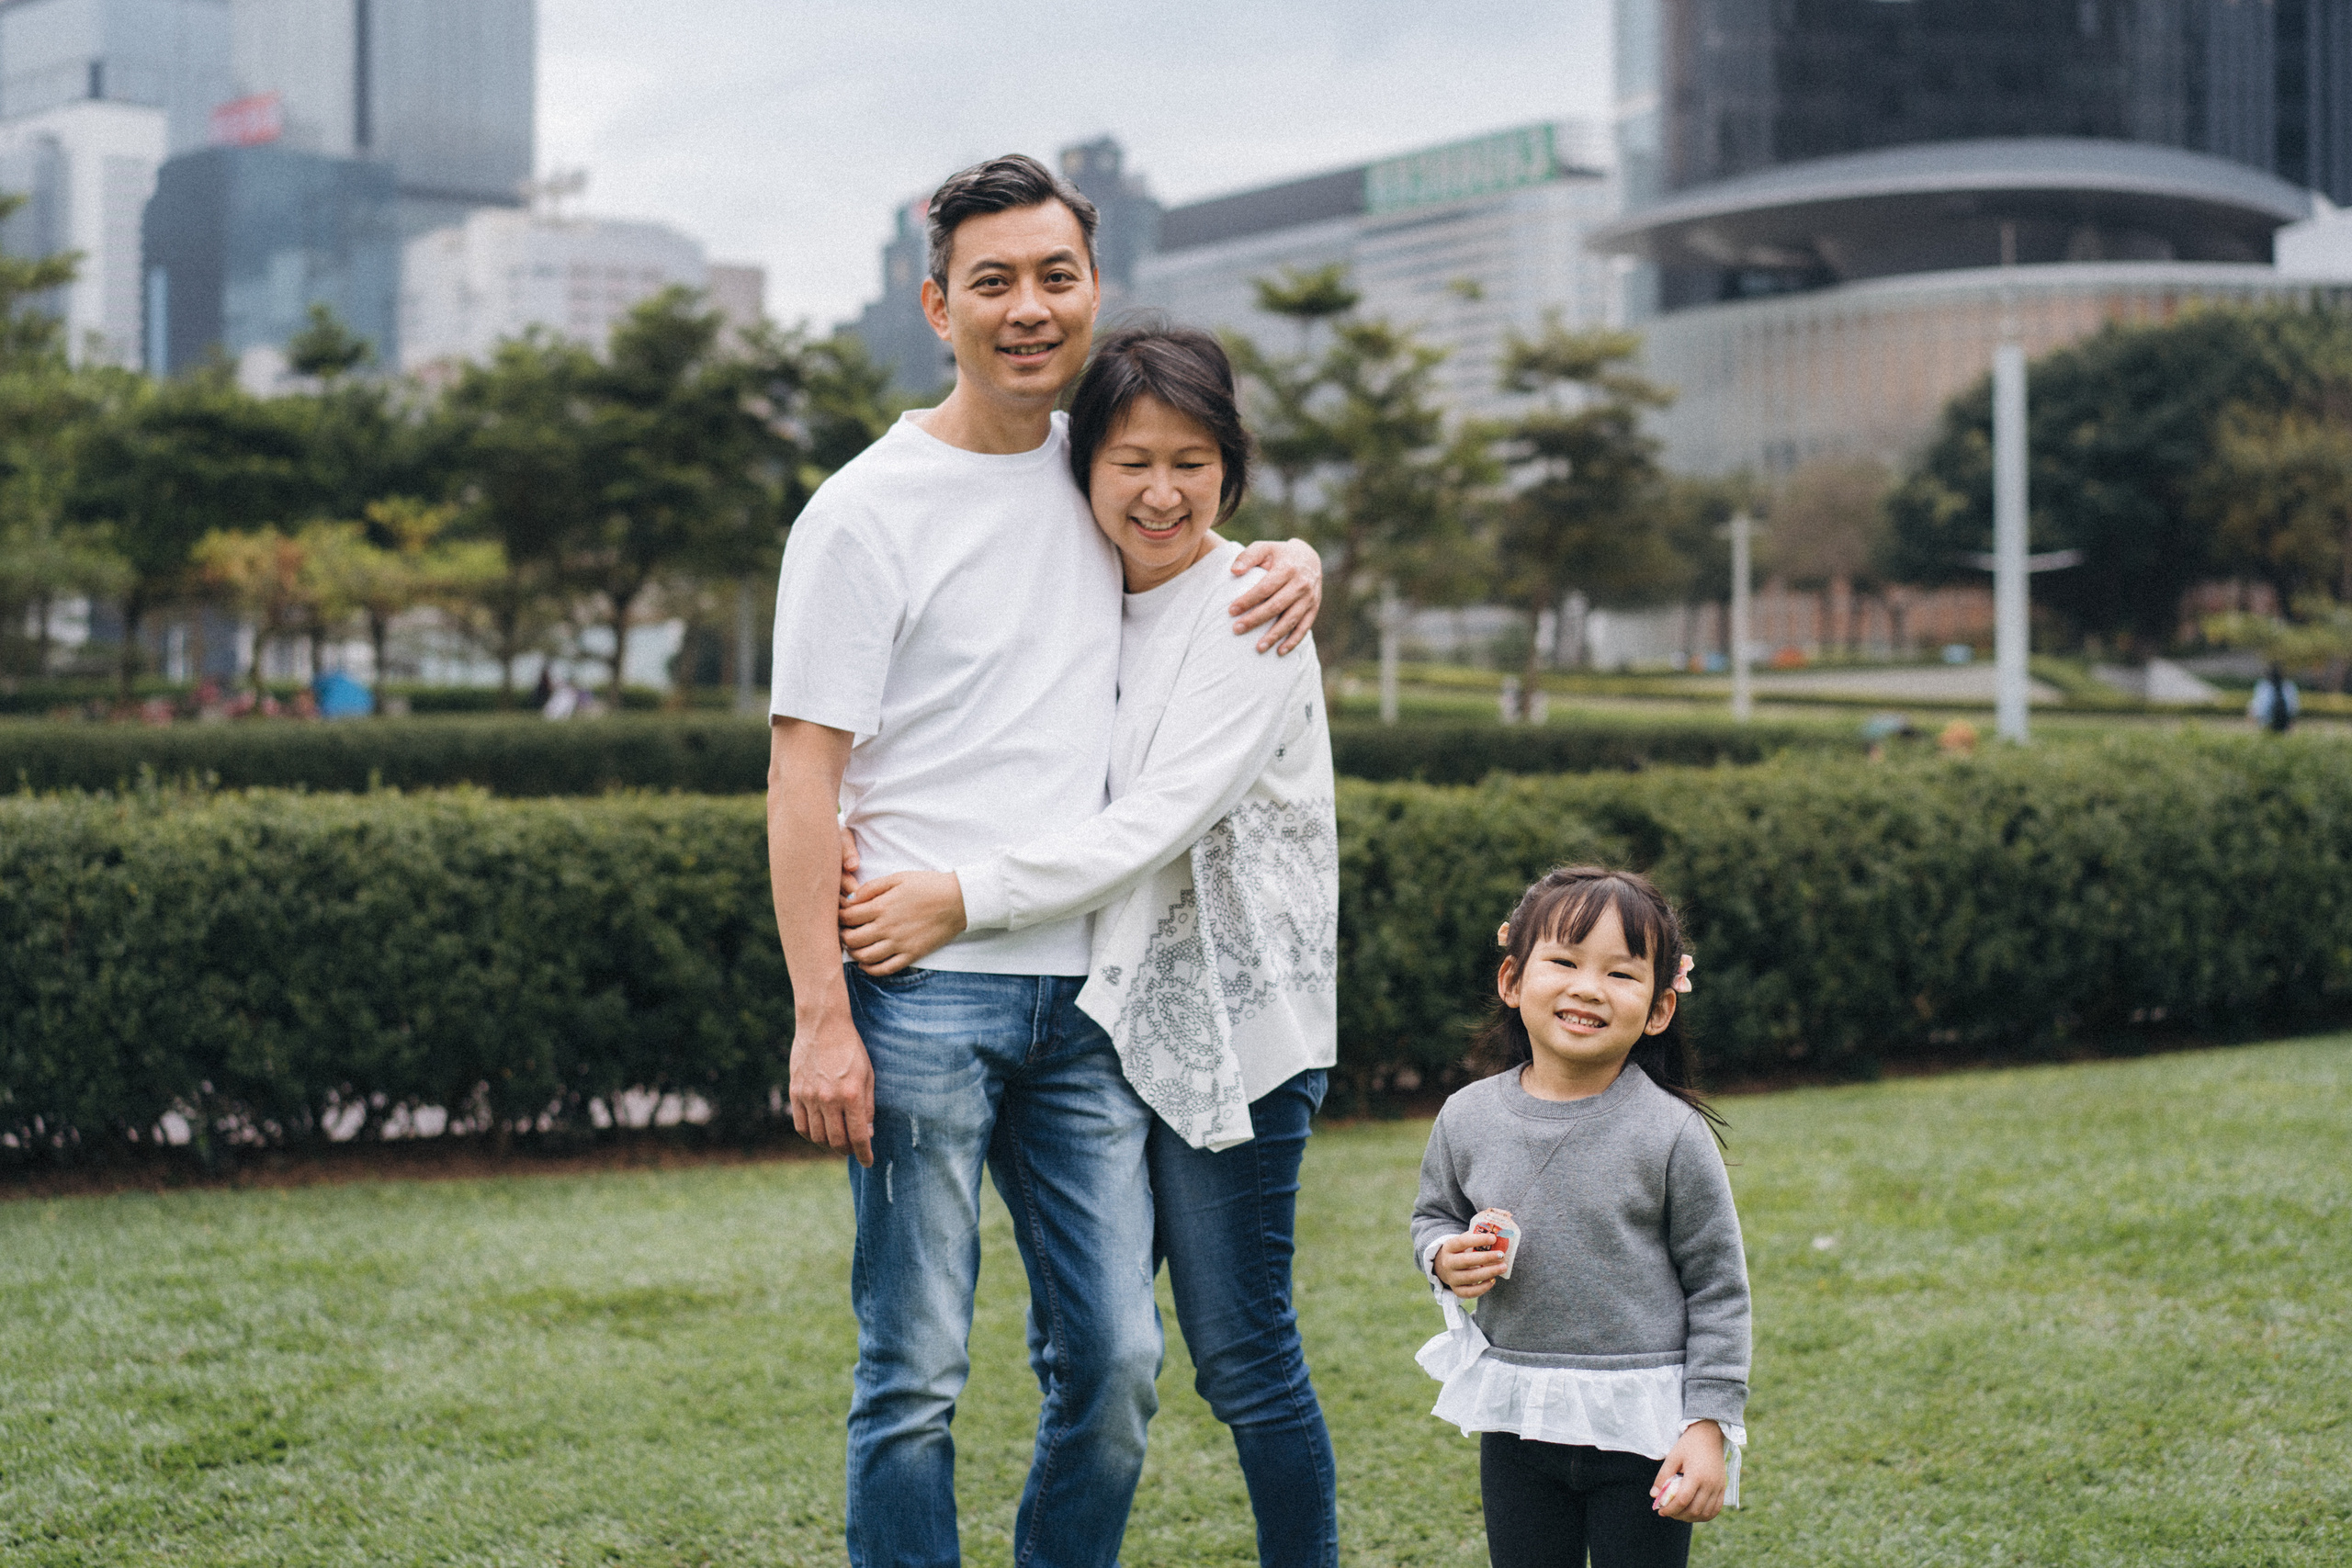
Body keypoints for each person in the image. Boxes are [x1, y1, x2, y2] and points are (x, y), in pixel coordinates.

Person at [763, 154, 1323, 1568]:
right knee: (914, 1374)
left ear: (1094, 287)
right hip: (921, 991)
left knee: (1124, 1364)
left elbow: (1192, 530)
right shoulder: (862, 511)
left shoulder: (1097, 466)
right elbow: (802, 773)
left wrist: (1297, 556)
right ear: (935, 303)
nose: (1028, 307)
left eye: (1055, 276)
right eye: (993, 282)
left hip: (1091, 1007)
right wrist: (821, 1014)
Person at [1411, 867, 1749, 1568]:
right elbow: (1434, 1214)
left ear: (1658, 1008)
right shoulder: (1467, 1116)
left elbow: (1720, 1289)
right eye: (1563, 961)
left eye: (1621, 974)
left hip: (1642, 1425)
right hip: (1518, 1417)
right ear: (1513, 979)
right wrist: (1443, 1255)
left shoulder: (1670, 1133)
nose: (1588, 987)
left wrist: (1708, 1424)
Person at [2250, 662, 2299, 733]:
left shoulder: (2263, 686)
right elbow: (2293, 709)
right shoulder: (2289, 686)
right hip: (2284, 722)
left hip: (2266, 722)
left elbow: (2258, 709)